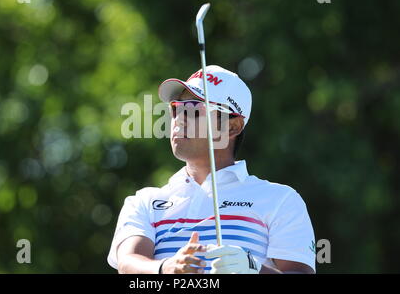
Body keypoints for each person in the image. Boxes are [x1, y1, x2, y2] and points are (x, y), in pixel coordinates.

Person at [107, 65, 316, 274]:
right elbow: (128, 264)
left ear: (232, 126)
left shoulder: (281, 200)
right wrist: (166, 268)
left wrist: (253, 269)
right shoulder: (145, 202)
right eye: (175, 108)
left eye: (193, 109)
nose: (179, 118)